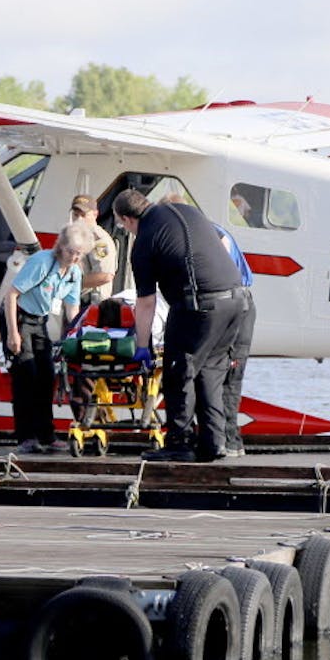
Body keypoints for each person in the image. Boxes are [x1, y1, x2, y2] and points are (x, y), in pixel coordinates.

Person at [113, 189, 243, 462]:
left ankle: (179, 443)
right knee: (209, 373)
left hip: (198, 305)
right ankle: (213, 443)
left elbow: (146, 303)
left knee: (178, 372)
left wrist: (141, 346)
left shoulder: (144, 242)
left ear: (126, 219)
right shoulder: (188, 211)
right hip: (237, 301)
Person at [1, 223, 90, 453]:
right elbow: (11, 295)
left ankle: (46, 434)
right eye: (71, 251)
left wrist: (74, 336)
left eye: (79, 253)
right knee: (25, 374)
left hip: (39, 321)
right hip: (19, 316)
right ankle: (26, 436)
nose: (74, 257)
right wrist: (13, 333)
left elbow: (72, 308)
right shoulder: (42, 262)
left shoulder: (74, 273)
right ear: (61, 247)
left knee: (46, 374)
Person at [214, 224, 255, 457]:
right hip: (238, 303)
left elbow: (223, 246)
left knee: (228, 372)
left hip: (234, 305)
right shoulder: (211, 228)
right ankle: (230, 439)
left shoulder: (210, 233)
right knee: (229, 373)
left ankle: (229, 440)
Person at [70, 195, 118, 302]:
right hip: (74, 299)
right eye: (75, 215)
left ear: (95, 214)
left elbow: (105, 276)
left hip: (91, 303)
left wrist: (70, 282)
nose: (78, 219)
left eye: (83, 215)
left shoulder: (99, 241)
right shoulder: (75, 236)